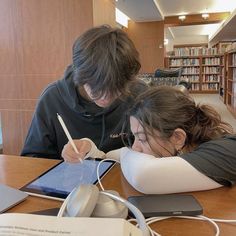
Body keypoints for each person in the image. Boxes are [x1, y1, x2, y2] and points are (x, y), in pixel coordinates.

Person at [62, 86, 236, 194]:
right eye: (134, 137)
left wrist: (123, 153)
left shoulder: (227, 151)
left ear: (177, 137)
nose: (135, 148)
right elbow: (111, 157)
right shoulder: (189, 148)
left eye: (143, 139)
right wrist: (91, 150)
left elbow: (144, 175)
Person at [21, 25, 146, 159]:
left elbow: (155, 151)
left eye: (116, 88)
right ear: (80, 74)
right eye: (96, 86)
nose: (105, 97)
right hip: (70, 178)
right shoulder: (52, 98)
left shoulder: (139, 95)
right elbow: (33, 158)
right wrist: (61, 162)